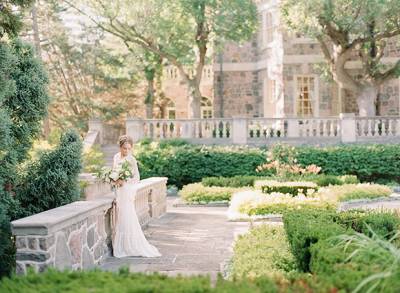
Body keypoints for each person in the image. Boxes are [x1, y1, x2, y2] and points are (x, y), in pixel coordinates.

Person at [111, 135, 161, 258]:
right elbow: (113, 173)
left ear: (131, 148)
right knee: (120, 216)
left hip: (127, 191)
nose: (126, 151)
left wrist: (125, 182)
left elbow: (136, 178)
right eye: (124, 148)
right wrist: (115, 180)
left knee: (127, 216)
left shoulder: (131, 159)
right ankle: (121, 244)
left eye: (128, 148)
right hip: (119, 191)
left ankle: (130, 245)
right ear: (120, 147)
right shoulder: (116, 157)